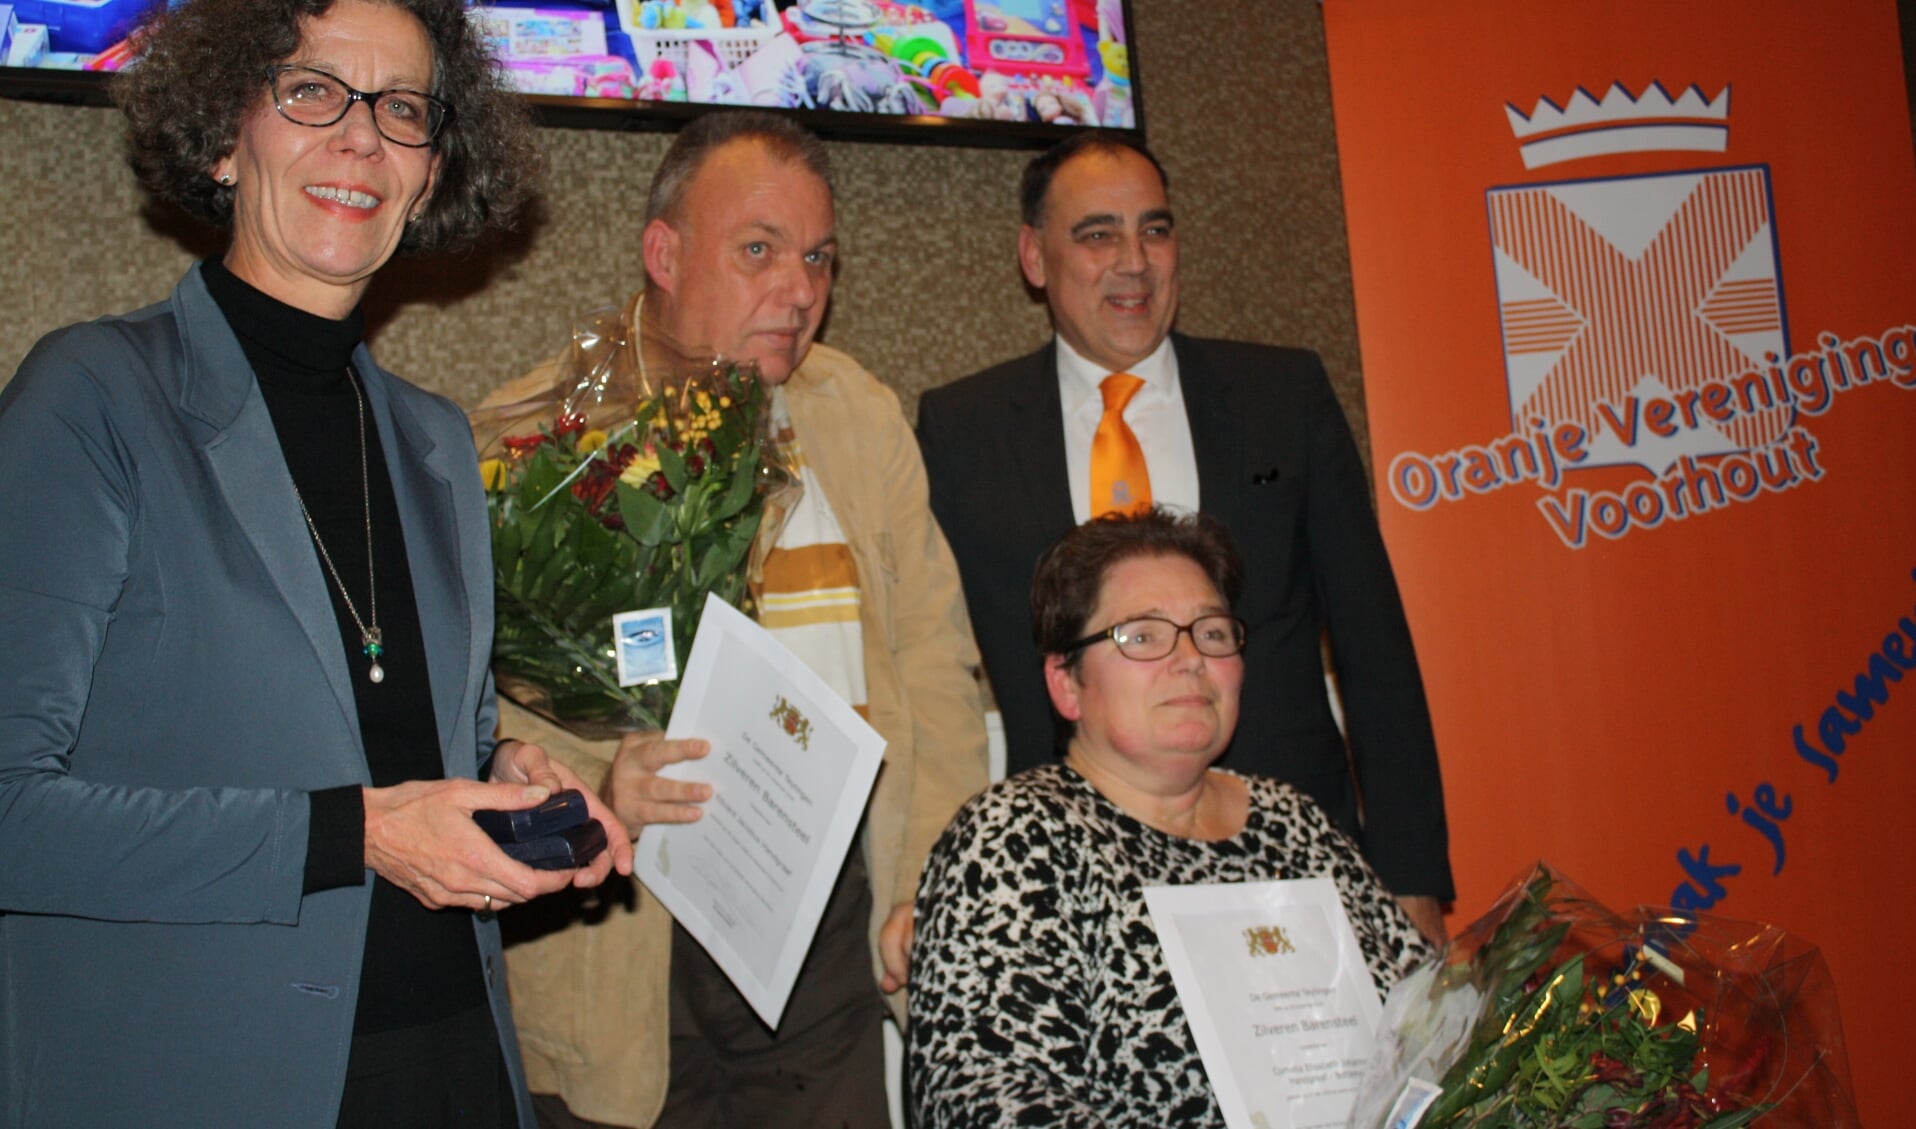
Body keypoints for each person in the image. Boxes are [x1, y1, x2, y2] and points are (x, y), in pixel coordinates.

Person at [0, 2, 634, 1125]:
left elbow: (405, 736)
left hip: (454, 1063)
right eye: (311, 91)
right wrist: (361, 834)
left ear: (432, 172)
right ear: (219, 135)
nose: (360, 139)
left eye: (401, 109)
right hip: (198, 1077)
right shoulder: (92, 398)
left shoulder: (435, 442)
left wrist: (515, 772)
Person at [493, 111, 991, 1129]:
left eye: (817, 257)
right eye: (757, 250)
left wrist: (929, 886)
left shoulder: (855, 413)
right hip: (616, 937)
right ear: (663, 253)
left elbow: (936, 666)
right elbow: (476, 717)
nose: (799, 290)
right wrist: (594, 787)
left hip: (822, 931)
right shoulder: (531, 438)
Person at [915, 132, 1454, 942]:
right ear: (1034, 256)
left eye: (1155, 230)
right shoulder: (963, 431)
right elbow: (930, 665)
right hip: (1071, 889)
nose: (1133, 261)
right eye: (1097, 234)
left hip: (1293, 863)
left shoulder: (1282, 396)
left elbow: (1374, 646)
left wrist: (1410, 876)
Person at [907, 509, 1432, 1126]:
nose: (1189, 659)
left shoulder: (1297, 823)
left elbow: (1426, 1023)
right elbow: (985, 1097)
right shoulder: (1012, 841)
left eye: (1210, 633)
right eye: (1143, 636)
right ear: (1066, 682)